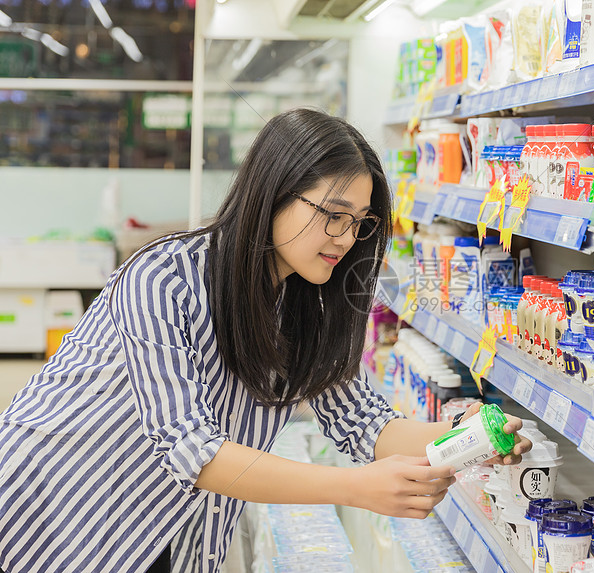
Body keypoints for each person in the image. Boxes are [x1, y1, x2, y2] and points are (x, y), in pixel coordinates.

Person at [0, 108, 531, 573]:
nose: (346, 239)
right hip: (55, 516)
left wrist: (467, 437)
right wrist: (355, 488)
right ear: (273, 191)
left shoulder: (305, 305)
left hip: (163, 531)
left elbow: (365, 423)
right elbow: (193, 452)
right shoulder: (162, 278)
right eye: (333, 215)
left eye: (360, 223)